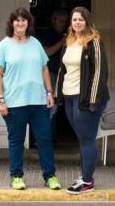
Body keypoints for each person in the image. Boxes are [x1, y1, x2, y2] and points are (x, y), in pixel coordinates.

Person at [0, 7, 61, 191]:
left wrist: (49, 92)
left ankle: (50, 176)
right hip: (14, 103)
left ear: (28, 23)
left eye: (24, 20)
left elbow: (44, 68)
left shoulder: (36, 44)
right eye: (17, 20)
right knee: (16, 141)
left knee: (44, 140)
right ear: (12, 23)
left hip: (38, 102)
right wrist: (0, 100)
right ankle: (16, 176)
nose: (20, 23)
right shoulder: (3, 45)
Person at [56, 6, 109, 194]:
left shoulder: (94, 41)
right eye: (74, 19)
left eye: (81, 19)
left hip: (86, 98)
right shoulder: (68, 41)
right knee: (81, 137)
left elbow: (100, 73)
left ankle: (87, 181)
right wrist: (58, 95)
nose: (77, 22)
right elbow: (62, 70)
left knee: (87, 139)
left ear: (87, 21)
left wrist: (92, 100)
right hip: (69, 96)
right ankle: (86, 175)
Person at [34, 9, 69, 138]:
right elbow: (46, 53)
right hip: (49, 76)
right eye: (60, 21)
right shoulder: (48, 35)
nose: (62, 24)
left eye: (64, 21)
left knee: (55, 107)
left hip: (60, 76)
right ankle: (43, 138)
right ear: (53, 21)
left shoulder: (62, 35)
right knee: (49, 108)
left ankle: (50, 137)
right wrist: (61, 43)